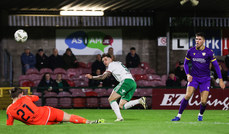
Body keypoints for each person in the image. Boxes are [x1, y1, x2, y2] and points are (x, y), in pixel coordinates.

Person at [171, 32, 225, 122]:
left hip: (205, 79)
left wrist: (221, 80)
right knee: (187, 95)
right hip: (194, 78)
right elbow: (185, 63)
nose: (197, 41)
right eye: (196, 39)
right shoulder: (191, 51)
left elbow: (216, 66)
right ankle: (178, 116)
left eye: (199, 39)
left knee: (203, 101)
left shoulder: (209, 52)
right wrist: (188, 74)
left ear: (203, 41)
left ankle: (200, 114)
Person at [85, 53, 147, 122]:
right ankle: (139, 100)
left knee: (111, 99)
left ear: (110, 59)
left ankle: (119, 118)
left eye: (106, 60)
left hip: (126, 81)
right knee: (121, 106)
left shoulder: (111, 64)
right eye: (103, 61)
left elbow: (103, 77)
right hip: (132, 83)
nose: (104, 62)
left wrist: (92, 77)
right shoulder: (118, 63)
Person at [6, 87, 104, 125]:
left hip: (39, 124)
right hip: (47, 113)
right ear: (20, 95)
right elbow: (36, 97)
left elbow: (9, 124)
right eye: (22, 94)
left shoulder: (9, 110)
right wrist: (26, 96)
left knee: (57, 123)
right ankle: (88, 122)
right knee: (68, 117)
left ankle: (60, 122)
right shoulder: (25, 98)